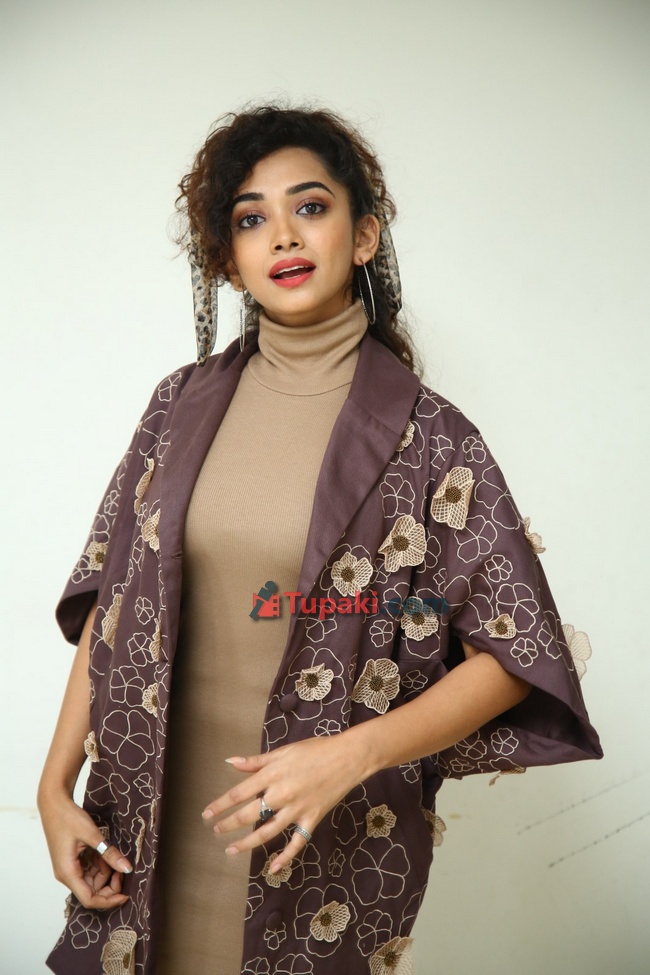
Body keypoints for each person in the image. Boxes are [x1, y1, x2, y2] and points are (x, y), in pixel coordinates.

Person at [38, 105, 602, 975]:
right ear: (228, 259)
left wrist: (351, 754)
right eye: (250, 219)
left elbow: (515, 652)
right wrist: (53, 784)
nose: (283, 235)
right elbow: (113, 602)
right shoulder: (176, 406)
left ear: (365, 235)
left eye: (310, 206)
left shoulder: (432, 439)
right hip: (140, 836)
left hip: (319, 849)